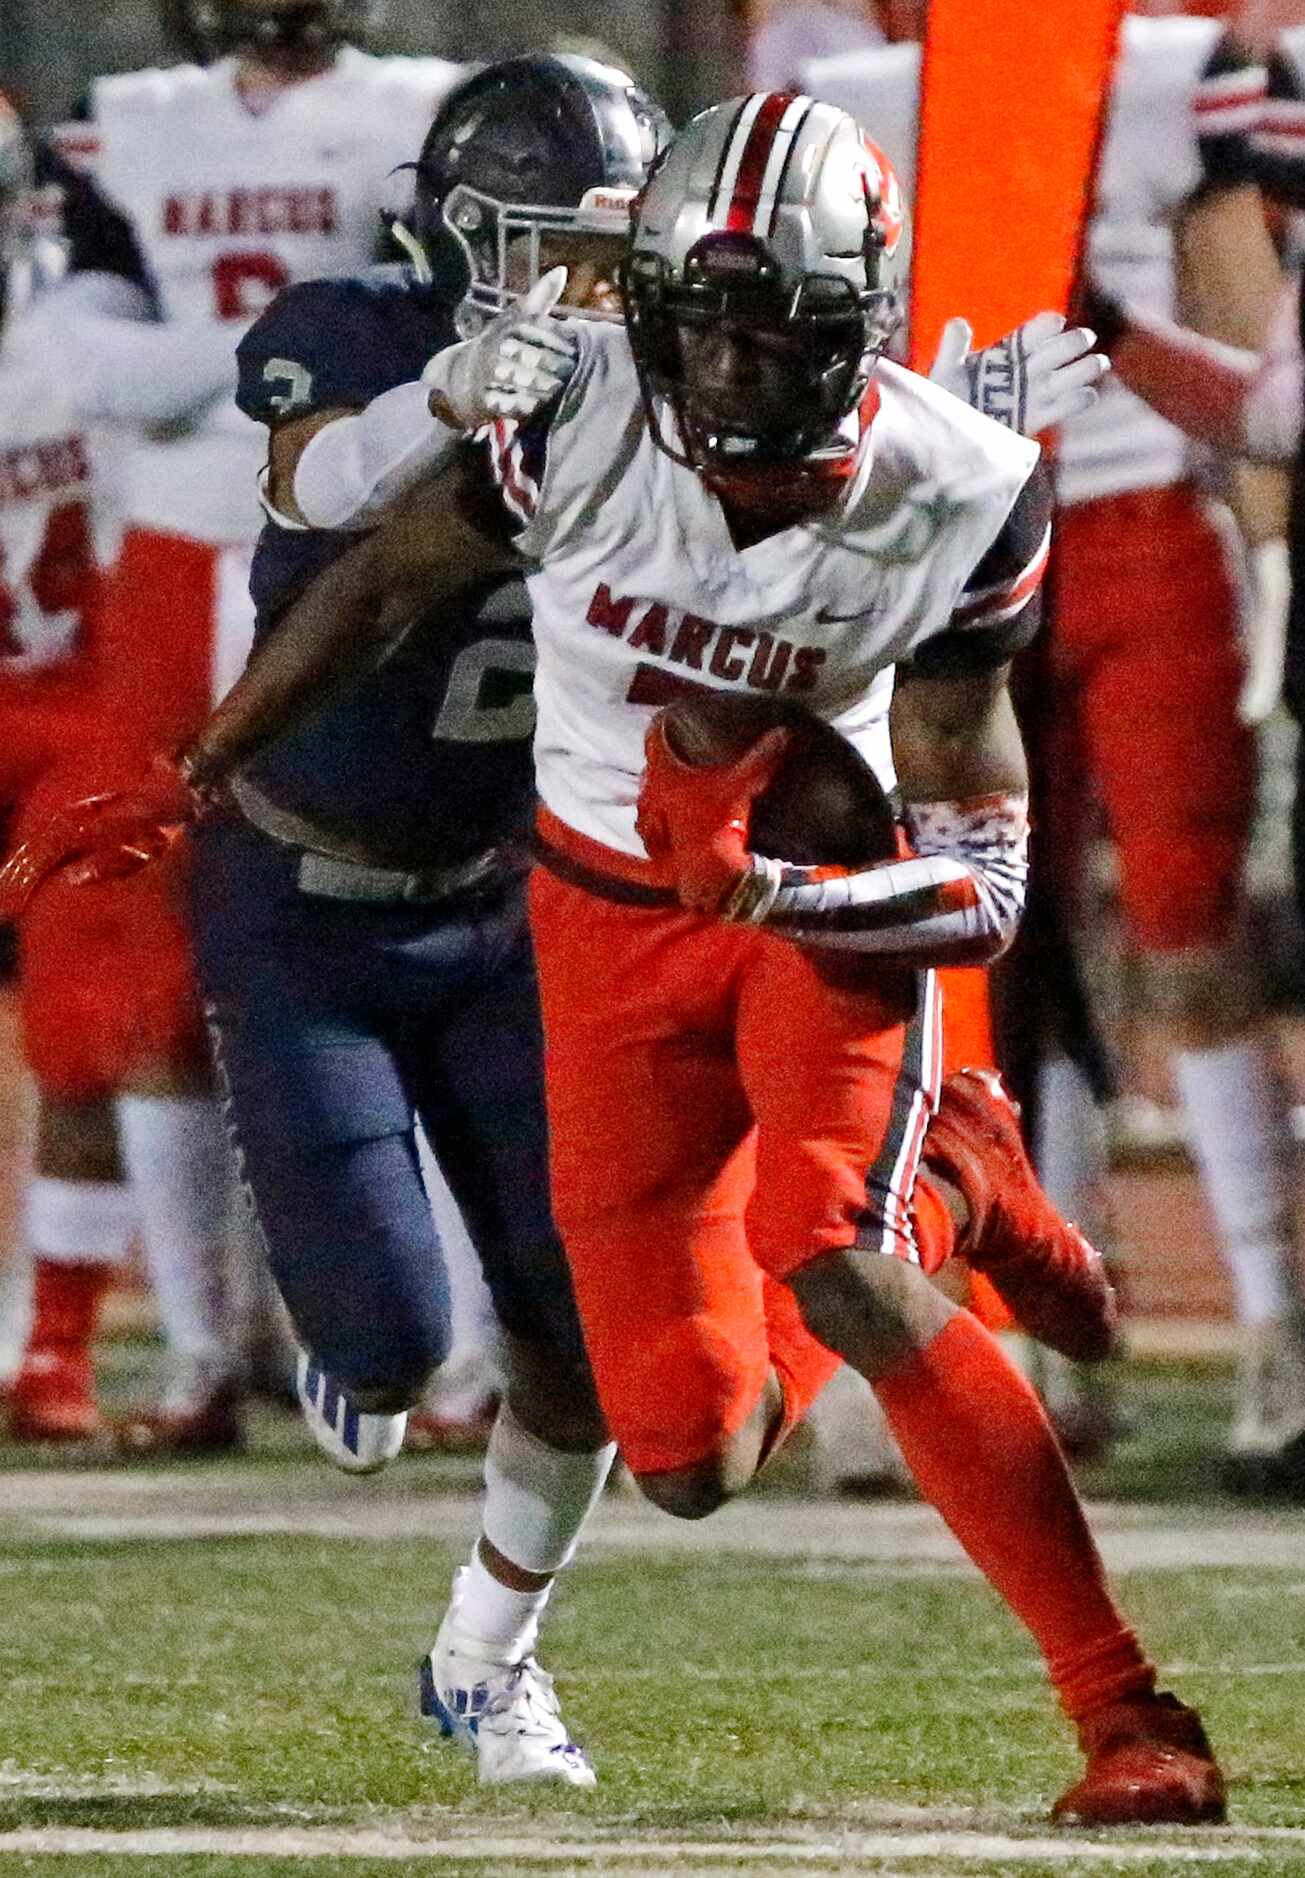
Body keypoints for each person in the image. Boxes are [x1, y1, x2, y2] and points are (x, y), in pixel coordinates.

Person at [23, 90, 1232, 1826]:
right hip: (592, 923)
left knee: (828, 1253)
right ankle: (955, 1187)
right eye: (700, 319)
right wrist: (198, 764)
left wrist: (780, 898)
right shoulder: (573, 414)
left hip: (815, 899)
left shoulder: (959, 488)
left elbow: (983, 863)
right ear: (645, 308)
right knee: (682, 1457)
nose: (729, 367)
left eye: (771, 324)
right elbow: (372, 584)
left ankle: (1125, 1711)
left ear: (852, 324)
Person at [805, 3, 1305, 1488]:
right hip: (943, 530)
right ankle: (1003, 1322)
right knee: (969, 939)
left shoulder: (1172, 66)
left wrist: (1269, 561)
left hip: (1147, 517)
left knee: (1184, 927)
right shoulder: (845, 90)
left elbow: (1241, 327)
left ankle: (1272, 1329)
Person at [6, 0, 461, 1451]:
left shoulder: (426, 107)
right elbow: (87, 369)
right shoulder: (131, 122)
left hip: (359, 549)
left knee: (404, 922)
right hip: (176, 555)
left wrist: (211, 367)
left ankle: (446, 1356)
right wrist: (280, 350)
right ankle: (202, 1351)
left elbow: (443, 336)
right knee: (149, 962)